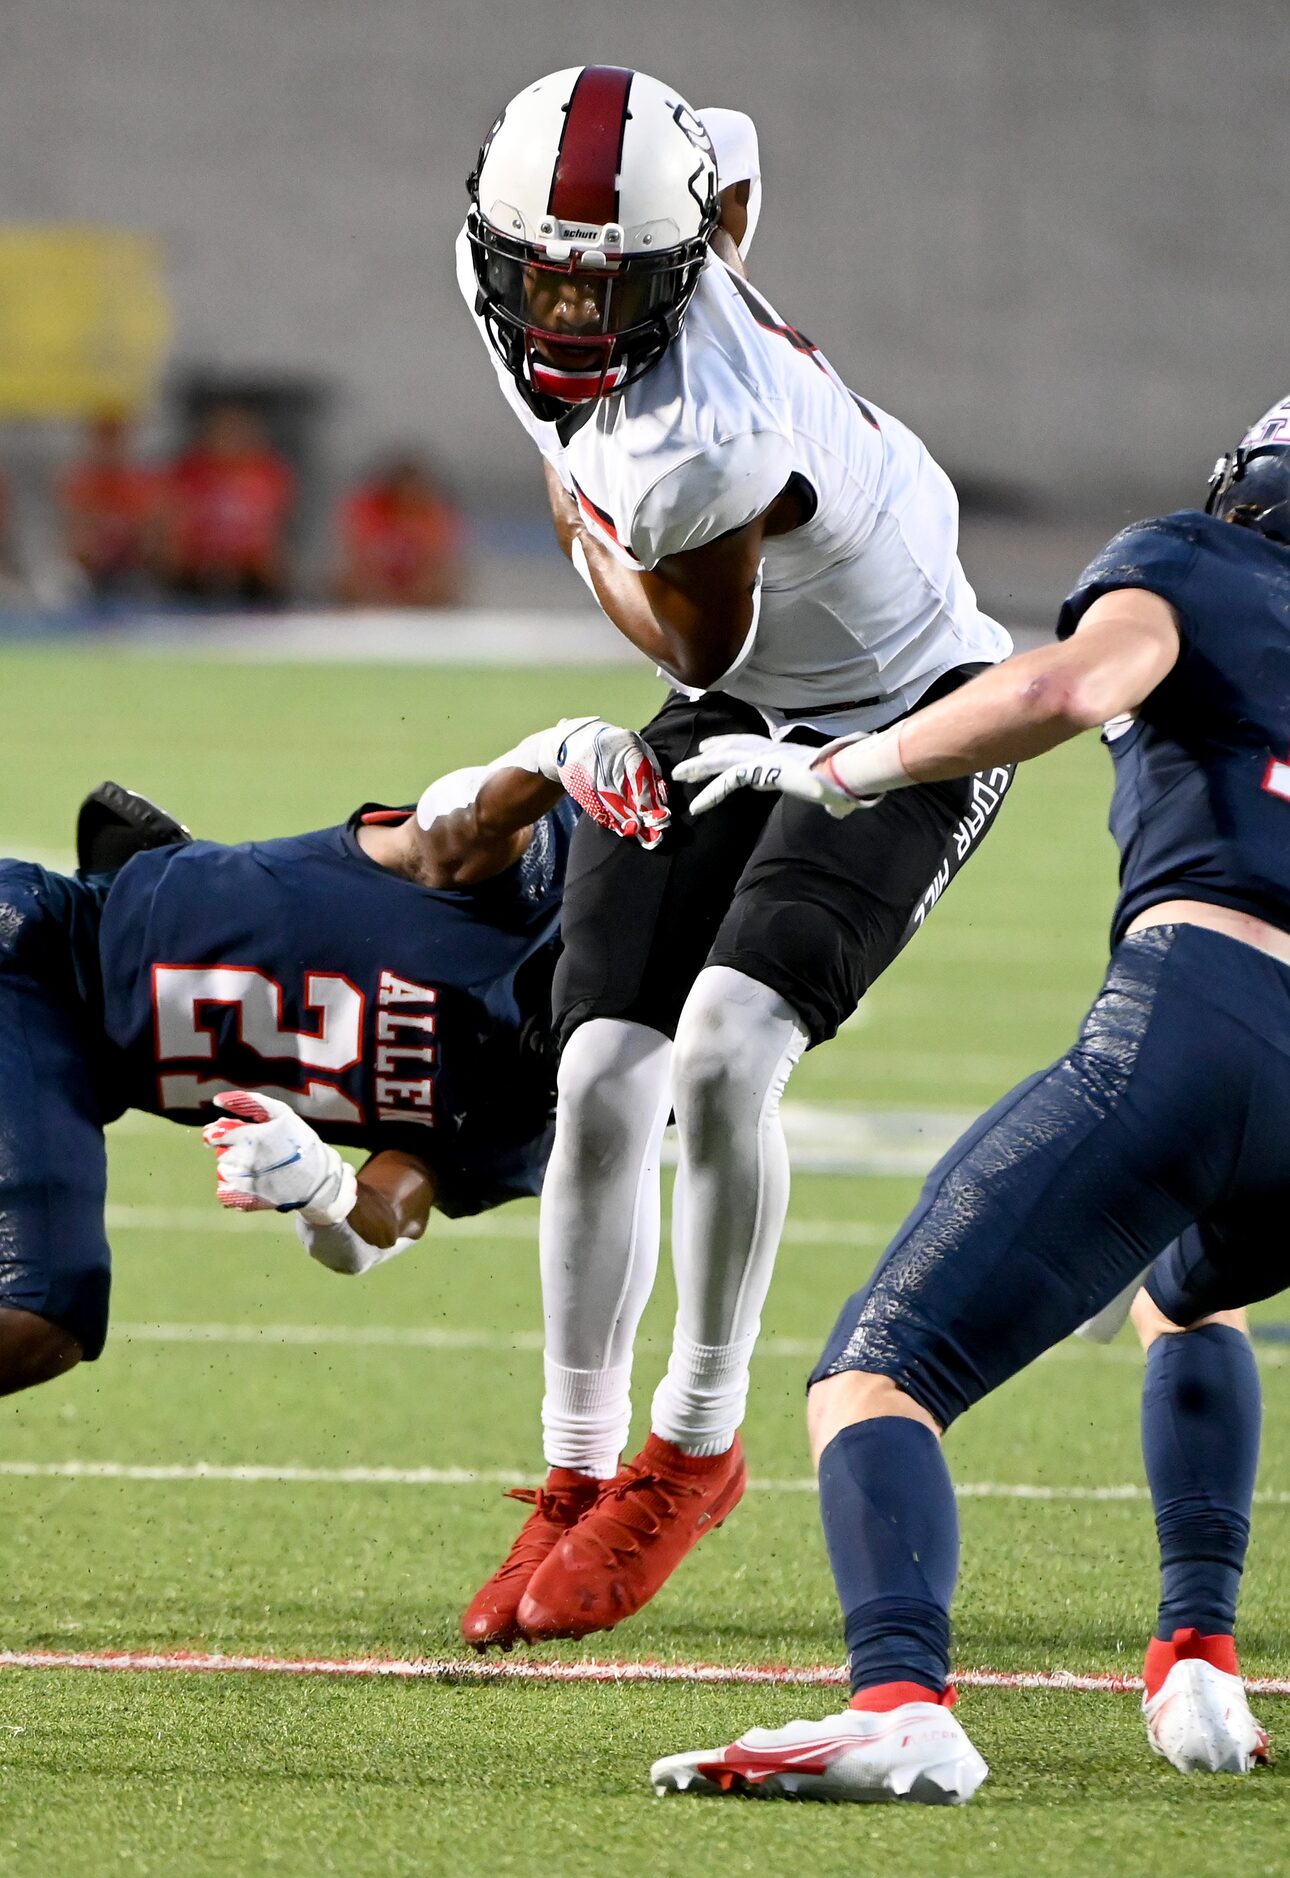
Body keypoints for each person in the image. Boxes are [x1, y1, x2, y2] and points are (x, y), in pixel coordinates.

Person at [650, 393, 1290, 1804]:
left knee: (876, 1376)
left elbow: (1062, 688)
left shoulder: (1196, 561)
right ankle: (1193, 1649)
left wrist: (842, 766)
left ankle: (897, 1702)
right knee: (1187, 1292)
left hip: (1209, 1012)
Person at [456, 67, 1013, 1652]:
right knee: (597, 1074)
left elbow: (693, 634)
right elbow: (734, 158)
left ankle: (693, 1445)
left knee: (718, 1053)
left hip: (906, 713)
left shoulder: (706, 438)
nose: (565, 305)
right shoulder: (608, 235)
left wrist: (581, 526)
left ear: (677, 260)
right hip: (753, 696)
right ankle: (574, 1470)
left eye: (606, 276)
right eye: (542, 267)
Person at [0, 719, 667, 1397]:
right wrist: (559, 750)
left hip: (71, 1065)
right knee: (42, 1313)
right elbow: (464, 818)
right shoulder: (519, 885)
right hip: (34, 956)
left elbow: (381, 1225)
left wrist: (325, 1193)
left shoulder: (526, 1110)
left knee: (46, 1316)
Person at [160, 404, 294, 606]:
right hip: (196, 570)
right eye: (225, 429)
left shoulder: (268, 473)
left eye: (239, 429)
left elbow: (273, 532)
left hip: (250, 573)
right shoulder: (190, 472)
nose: (232, 437)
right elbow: (174, 524)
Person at [335, 453, 467, 608]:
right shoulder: (370, 511)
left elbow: (440, 563)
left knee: (450, 579)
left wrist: (414, 595)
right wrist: (381, 594)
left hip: (418, 591)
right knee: (345, 576)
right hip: (375, 588)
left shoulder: (435, 514)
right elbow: (357, 557)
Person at [57, 412, 163, 601]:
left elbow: (151, 537)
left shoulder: (141, 484)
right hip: (90, 573)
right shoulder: (80, 483)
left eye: (115, 439)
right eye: (103, 439)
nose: (109, 448)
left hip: (131, 571)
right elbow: (73, 539)